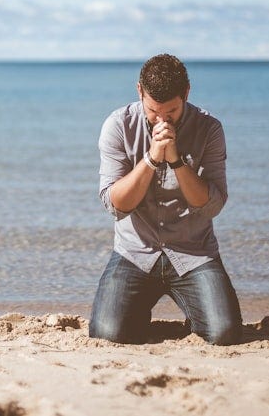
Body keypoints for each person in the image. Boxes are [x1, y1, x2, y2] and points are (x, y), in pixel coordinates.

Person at [88, 53, 242, 345]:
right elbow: (115, 204)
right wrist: (150, 159)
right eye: (153, 111)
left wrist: (176, 161)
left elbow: (212, 205)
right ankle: (135, 313)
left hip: (193, 252)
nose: (161, 120)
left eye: (170, 112)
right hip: (135, 252)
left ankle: (195, 311)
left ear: (186, 93)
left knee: (224, 334)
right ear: (139, 92)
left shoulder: (209, 129)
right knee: (106, 335)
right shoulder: (119, 125)